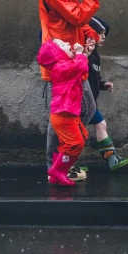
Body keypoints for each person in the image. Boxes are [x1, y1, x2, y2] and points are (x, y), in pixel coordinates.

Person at [39, 0, 100, 181]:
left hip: (73, 58)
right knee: (65, 116)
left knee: (79, 112)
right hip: (61, 61)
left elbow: (74, 20)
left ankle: (62, 161)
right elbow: (77, 15)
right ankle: (55, 166)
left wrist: (90, 35)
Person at [36, 39, 92, 186]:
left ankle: (57, 172)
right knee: (76, 143)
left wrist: (84, 54)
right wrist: (80, 54)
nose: (68, 43)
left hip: (67, 113)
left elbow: (83, 68)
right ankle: (58, 170)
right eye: (62, 45)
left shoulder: (66, 65)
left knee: (72, 142)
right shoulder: (60, 67)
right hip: (62, 114)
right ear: (57, 55)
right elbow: (80, 67)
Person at [85, 16, 128, 170]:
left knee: (100, 125)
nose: (104, 37)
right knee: (75, 134)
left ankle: (112, 160)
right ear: (91, 34)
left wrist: (102, 84)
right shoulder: (84, 54)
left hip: (90, 101)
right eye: (100, 33)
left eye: (104, 33)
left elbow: (93, 78)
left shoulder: (95, 56)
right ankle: (64, 165)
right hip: (81, 101)